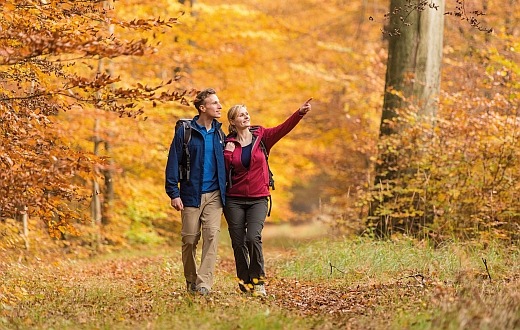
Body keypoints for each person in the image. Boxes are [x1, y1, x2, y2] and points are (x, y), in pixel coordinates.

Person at [223, 98, 312, 297]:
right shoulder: (227, 144)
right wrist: (228, 155)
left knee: (253, 237)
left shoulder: (261, 136)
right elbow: (223, 171)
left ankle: (259, 282)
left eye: (247, 113)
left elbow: (283, 128)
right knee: (238, 243)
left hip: (258, 198)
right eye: (241, 114)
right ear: (233, 121)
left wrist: (299, 113)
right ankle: (245, 283)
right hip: (234, 199)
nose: (246, 116)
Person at [165, 88, 227, 296]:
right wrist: (173, 192)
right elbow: (173, 161)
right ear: (202, 108)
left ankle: (204, 283)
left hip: (215, 195)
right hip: (190, 194)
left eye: (219, 103)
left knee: (212, 236)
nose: (219, 106)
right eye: (214, 103)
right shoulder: (186, 132)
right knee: (190, 239)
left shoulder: (220, 133)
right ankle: (191, 280)